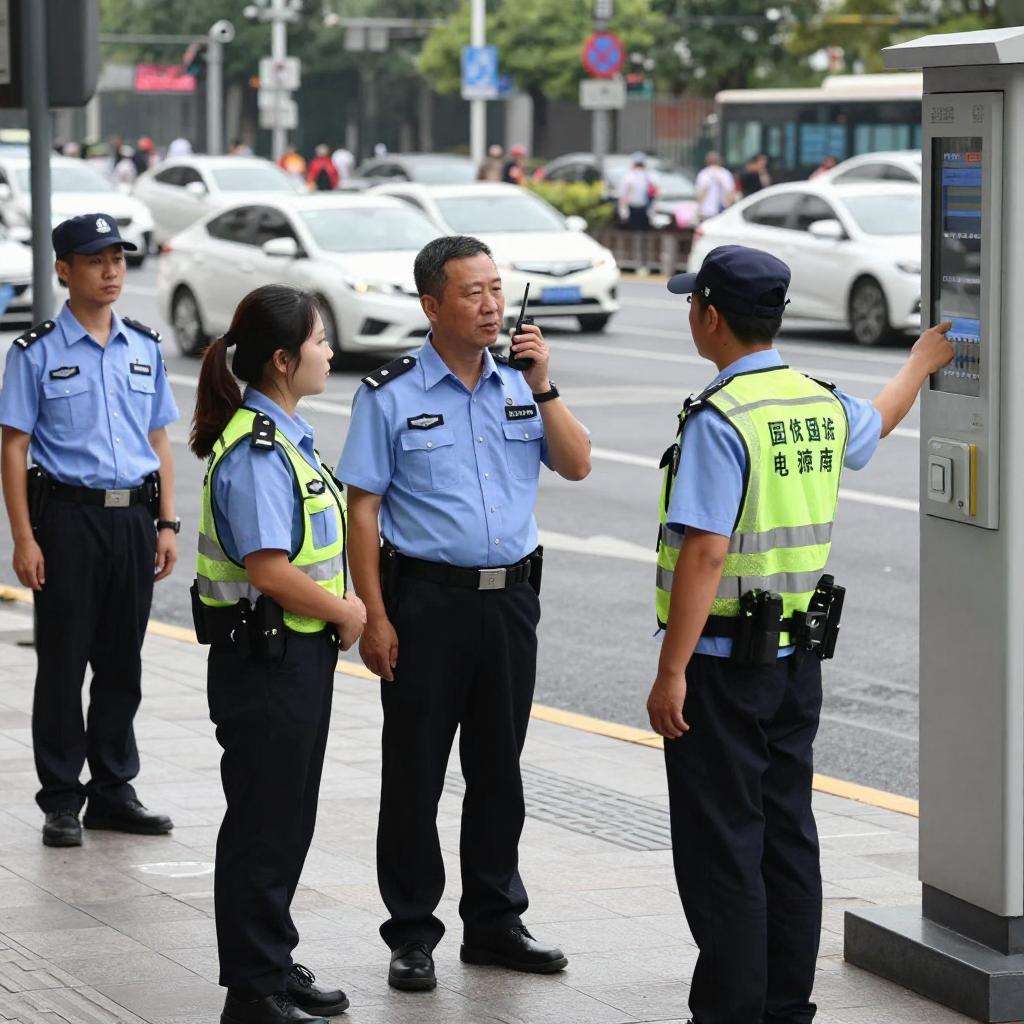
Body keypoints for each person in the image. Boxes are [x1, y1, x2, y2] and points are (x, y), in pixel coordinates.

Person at [646, 244, 955, 1024]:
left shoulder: (722, 417)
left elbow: (705, 551)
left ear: (709, 316)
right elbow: (877, 422)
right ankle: (785, 1005)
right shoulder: (817, 400)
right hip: (794, 663)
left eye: (693, 304)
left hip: (722, 666)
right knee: (787, 835)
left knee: (724, 846)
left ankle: (731, 1011)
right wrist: (919, 362)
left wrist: (671, 671)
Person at [339, 235, 591, 992]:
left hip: (510, 601)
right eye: (472, 292)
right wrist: (375, 616)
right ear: (431, 304)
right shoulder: (389, 394)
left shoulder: (520, 384)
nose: (490, 305)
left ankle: (494, 921)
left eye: (496, 289)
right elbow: (362, 510)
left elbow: (577, 463)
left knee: (498, 770)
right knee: (414, 773)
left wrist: (545, 385)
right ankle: (412, 932)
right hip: (425, 603)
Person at [189, 285, 367, 1024]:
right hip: (265, 661)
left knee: (286, 818)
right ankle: (253, 990)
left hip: (292, 657)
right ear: (285, 361)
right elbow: (268, 569)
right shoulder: (259, 453)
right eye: (319, 341)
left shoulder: (287, 438)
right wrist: (346, 611)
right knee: (264, 824)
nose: (329, 352)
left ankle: (271, 959)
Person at [0, 214, 181, 848]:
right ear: (64, 270)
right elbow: (14, 446)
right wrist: (24, 538)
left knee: (121, 661)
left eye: (118, 260)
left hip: (132, 519)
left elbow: (159, 439)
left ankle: (112, 791)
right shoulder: (36, 352)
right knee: (62, 662)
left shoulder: (144, 346)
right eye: (96, 260)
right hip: (68, 521)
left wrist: (166, 523)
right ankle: (60, 798)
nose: (110, 272)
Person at [617, 151, 656, 230]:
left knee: (632, 231)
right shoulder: (650, 177)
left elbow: (623, 196)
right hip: (645, 209)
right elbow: (655, 194)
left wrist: (623, 213)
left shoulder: (628, 177)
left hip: (632, 209)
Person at [694, 150, 735, 221]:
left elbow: (699, 196)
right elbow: (731, 195)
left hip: (707, 211)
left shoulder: (703, 174)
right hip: (722, 212)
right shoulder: (725, 174)